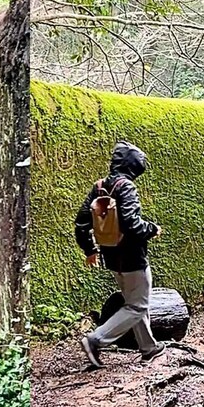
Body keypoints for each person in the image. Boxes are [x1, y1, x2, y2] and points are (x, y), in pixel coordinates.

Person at [75, 140, 165, 367]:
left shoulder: (99, 186)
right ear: (133, 165)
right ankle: (96, 340)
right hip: (133, 258)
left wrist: (90, 250)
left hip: (112, 257)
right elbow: (133, 225)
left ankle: (148, 347)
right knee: (138, 305)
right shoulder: (127, 187)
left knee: (134, 302)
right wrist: (153, 229)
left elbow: (81, 223)